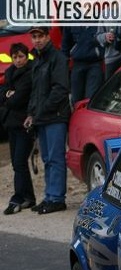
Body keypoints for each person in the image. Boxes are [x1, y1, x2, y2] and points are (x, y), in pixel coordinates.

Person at [24, 26, 71, 215]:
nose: (37, 40)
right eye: (34, 37)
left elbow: (60, 89)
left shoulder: (57, 58)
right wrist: (30, 113)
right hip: (42, 117)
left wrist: (40, 112)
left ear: (47, 36)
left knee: (55, 158)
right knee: (47, 159)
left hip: (55, 116)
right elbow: (35, 92)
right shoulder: (37, 59)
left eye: (40, 36)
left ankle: (57, 198)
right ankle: (50, 196)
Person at [0, 43, 36, 215]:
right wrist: (8, 94)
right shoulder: (9, 72)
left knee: (20, 162)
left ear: (26, 56)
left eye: (21, 56)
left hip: (24, 124)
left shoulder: (29, 73)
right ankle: (28, 197)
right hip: (11, 123)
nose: (18, 60)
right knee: (17, 163)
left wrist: (9, 95)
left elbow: (19, 98)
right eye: (15, 57)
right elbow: (2, 94)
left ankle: (18, 197)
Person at [59, 25, 103, 104]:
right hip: (77, 64)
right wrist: (63, 65)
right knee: (76, 99)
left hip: (95, 64)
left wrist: (101, 53)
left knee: (91, 99)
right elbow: (65, 43)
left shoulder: (99, 19)